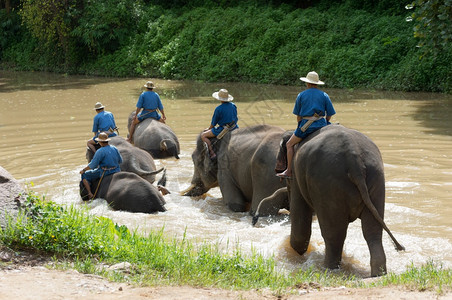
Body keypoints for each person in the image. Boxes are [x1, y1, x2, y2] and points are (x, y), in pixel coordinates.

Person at [276, 71, 336, 179]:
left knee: (289, 144)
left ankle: (288, 171)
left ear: (307, 83)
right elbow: (330, 114)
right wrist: (326, 122)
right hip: (322, 124)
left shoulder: (301, 95)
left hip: (306, 126)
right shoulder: (324, 95)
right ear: (317, 84)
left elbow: (298, 116)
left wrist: (300, 125)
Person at [80, 132, 123, 199]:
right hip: (117, 170)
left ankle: (89, 193)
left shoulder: (100, 151)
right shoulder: (114, 148)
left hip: (104, 172)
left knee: (85, 175)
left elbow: (93, 165)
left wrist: (83, 170)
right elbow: (120, 161)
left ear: (100, 142)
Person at [201, 88, 238, 159]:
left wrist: (209, 129)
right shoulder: (233, 105)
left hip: (223, 129)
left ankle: (212, 153)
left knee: (203, 135)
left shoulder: (218, 109)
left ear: (220, 99)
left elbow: (213, 123)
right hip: (234, 127)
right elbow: (235, 118)